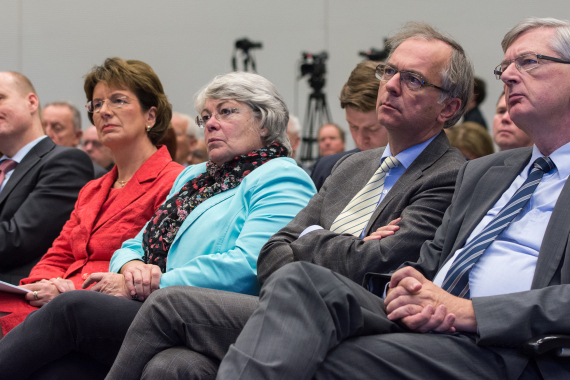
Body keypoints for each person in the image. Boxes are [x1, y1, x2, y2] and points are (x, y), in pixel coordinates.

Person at [102, 21, 472, 380]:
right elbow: (273, 253)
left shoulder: (448, 174)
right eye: (389, 71)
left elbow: (381, 264)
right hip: (287, 301)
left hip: (361, 315)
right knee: (172, 365)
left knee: (166, 303)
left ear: (448, 108)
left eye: (413, 79)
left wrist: (309, 238)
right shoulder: (351, 166)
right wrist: (344, 246)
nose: (390, 86)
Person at [214, 17, 570, 380]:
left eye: (528, 62)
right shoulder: (487, 171)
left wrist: (470, 311)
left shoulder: (452, 169)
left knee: (312, 350)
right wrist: (411, 284)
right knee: (298, 287)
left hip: (512, 349)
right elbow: (430, 260)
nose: (508, 76)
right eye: (505, 66)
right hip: (428, 321)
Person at [0, 71, 316, 379]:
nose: (211, 124)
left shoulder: (280, 177)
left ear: (264, 121)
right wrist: (131, 266)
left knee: (72, 308)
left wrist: (149, 284)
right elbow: (133, 244)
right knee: (59, 371)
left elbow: (249, 266)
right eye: (205, 117)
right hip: (155, 303)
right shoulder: (194, 178)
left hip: (211, 312)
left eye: (226, 111)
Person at [0, 57, 184, 337]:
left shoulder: (175, 181)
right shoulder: (93, 189)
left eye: (118, 101)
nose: (104, 112)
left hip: (110, 311)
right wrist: (41, 284)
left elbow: (156, 265)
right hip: (57, 302)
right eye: (97, 104)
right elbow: (58, 253)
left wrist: (69, 288)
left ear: (151, 116)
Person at [0, 72, 93, 285]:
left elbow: (19, 240)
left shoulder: (66, 161)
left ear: (31, 102)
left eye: (0, 98)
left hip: (19, 293)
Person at [311, 61, 389, 190]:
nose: (360, 140)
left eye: (372, 129)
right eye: (353, 127)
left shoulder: (423, 174)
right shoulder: (328, 170)